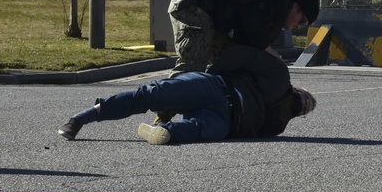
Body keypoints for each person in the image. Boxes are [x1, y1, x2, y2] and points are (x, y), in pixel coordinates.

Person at [57, 45, 316, 144]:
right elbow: (243, 54)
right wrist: (214, 75)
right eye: (306, 99)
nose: (304, 105)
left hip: (225, 120)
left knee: (203, 131)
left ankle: (164, 132)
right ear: (296, 89)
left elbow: (251, 133)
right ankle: (83, 117)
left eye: (306, 110)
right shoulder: (280, 77)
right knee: (151, 95)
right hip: (215, 86)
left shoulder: (279, 125)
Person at [168, 0, 320, 75]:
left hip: (208, 13)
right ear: (296, 7)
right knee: (194, 63)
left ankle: (205, 107)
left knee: (228, 65)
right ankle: (164, 111)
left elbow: (244, 39)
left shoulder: (276, 15)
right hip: (193, 5)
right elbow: (253, 27)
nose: (297, 27)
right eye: (301, 22)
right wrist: (272, 53)